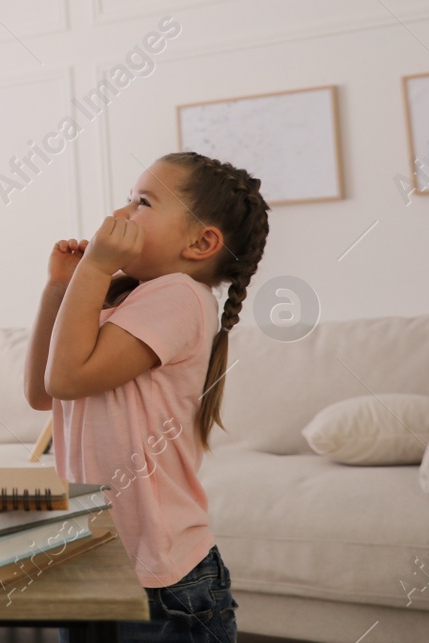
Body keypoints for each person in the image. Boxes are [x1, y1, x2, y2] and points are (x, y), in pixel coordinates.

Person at [25, 151, 268, 643]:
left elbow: (66, 379)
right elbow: (41, 392)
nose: (121, 215)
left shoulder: (180, 295)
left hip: (163, 582)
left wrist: (93, 269)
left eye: (142, 202)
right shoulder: (124, 297)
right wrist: (60, 287)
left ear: (201, 243)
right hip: (93, 558)